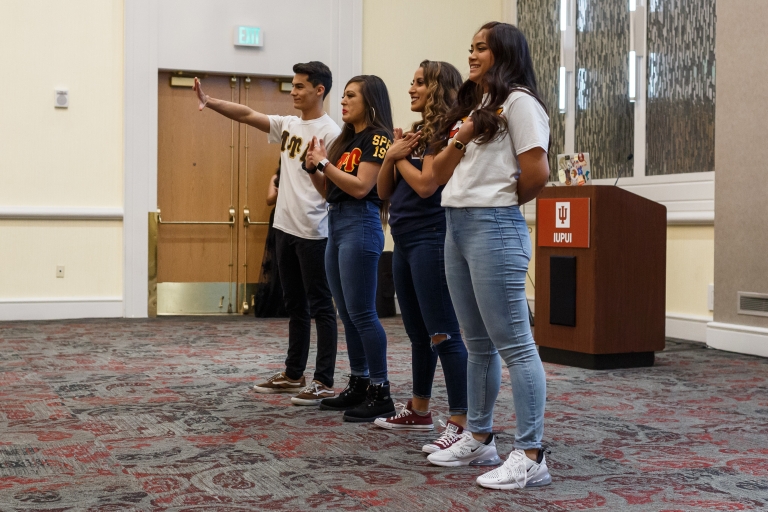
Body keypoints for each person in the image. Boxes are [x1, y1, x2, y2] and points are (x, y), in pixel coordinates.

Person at [425, 22, 553, 490]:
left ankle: (532, 454)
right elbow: (444, 173)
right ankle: (479, 436)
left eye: (481, 48)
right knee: (476, 343)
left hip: (493, 226)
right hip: (457, 225)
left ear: (504, 54)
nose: (472, 55)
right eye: (471, 46)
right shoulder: (479, 106)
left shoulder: (519, 102)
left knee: (515, 344)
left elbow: (536, 173)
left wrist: (497, 203)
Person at [193, 62, 340, 406]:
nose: (293, 91)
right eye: (293, 85)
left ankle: (323, 379)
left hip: (314, 231)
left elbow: (332, 183)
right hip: (284, 227)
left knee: (321, 307)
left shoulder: (331, 132)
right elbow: (246, 114)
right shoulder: (289, 125)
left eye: (300, 86)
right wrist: (210, 101)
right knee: (294, 305)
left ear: (319, 90)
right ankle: (293, 374)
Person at [374, 60, 470, 454]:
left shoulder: (446, 131)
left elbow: (428, 185)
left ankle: (462, 422)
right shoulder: (414, 136)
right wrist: (391, 157)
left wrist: (397, 157)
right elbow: (384, 192)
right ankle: (420, 407)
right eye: (411, 82)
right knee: (416, 332)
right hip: (405, 239)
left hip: (432, 237)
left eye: (419, 83)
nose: (411, 89)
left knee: (443, 331)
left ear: (437, 87)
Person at [304, 75, 396, 423]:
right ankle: (359, 381)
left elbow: (361, 187)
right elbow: (329, 192)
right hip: (337, 220)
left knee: (362, 312)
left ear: (370, 100)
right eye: (342, 95)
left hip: (360, 221)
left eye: (351, 96)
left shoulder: (378, 138)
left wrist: (326, 164)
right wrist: (315, 166)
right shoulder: (346, 139)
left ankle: (380, 389)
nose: (343, 101)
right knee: (346, 312)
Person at [252, 162, 288, 318]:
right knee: (276, 259)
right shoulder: (276, 177)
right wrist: (281, 192)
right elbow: (269, 199)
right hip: (278, 217)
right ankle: (276, 303)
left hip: (293, 217)